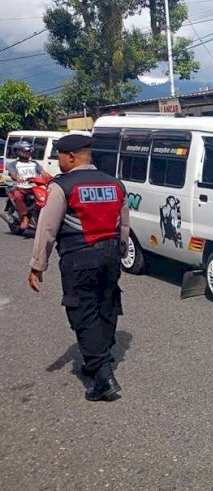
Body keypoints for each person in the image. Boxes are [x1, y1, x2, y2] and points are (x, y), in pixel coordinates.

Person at [27, 134, 130, 401]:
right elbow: (124, 226)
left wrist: (38, 265)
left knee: (83, 312)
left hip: (79, 258)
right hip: (110, 257)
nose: (58, 161)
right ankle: (99, 357)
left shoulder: (63, 186)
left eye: (60, 156)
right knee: (107, 305)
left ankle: (103, 376)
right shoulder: (115, 184)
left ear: (70, 156)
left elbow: (47, 228)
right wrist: (119, 253)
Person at [6, 142, 52, 230]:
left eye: (30, 150)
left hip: (34, 187)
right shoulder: (13, 164)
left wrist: (52, 179)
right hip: (20, 187)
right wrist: (18, 178)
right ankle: (25, 217)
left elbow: (44, 173)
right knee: (18, 196)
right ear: (19, 152)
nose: (28, 153)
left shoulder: (34, 163)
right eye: (25, 151)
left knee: (48, 196)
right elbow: (13, 174)